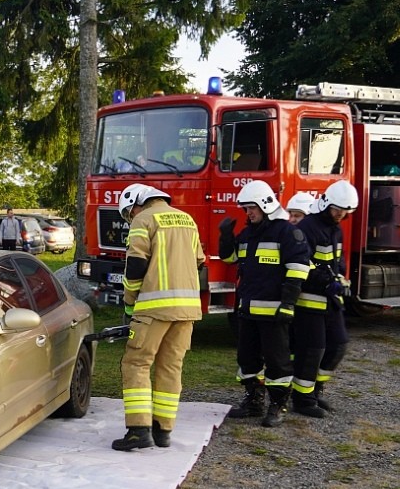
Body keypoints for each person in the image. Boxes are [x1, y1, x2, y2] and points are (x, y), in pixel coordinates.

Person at [112, 184, 207, 451]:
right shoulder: (187, 219)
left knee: (136, 364)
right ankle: (163, 430)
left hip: (153, 307)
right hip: (187, 309)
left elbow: (135, 267)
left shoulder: (144, 219)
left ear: (135, 204)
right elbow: (200, 261)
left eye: (128, 214)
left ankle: (138, 431)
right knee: (170, 366)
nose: (130, 218)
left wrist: (130, 302)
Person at [219, 179, 311, 427]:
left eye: (252, 208)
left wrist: (288, 304)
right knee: (247, 359)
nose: (248, 213)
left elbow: (298, 269)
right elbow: (230, 259)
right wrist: (226, 237)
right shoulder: (248, 233)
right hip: (247, 311)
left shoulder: (288, 232)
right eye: (246, 209)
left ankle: (278, 404)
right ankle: (254, 401)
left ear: (266, 205)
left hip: (274, 312)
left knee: (277, 360)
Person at [289, 180, 358, 416]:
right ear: (327, 204)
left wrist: (340, 279)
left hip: (330, 300)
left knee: (338, 345)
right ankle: (302, 400)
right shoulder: (309, 226)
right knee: (312, 350)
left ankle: (315, 391)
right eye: (338, 210)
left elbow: (337, 260)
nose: (341, 215)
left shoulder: (335, 228)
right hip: (309, 300)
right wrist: (326, 281)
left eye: (345, 212)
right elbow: (303, 263)